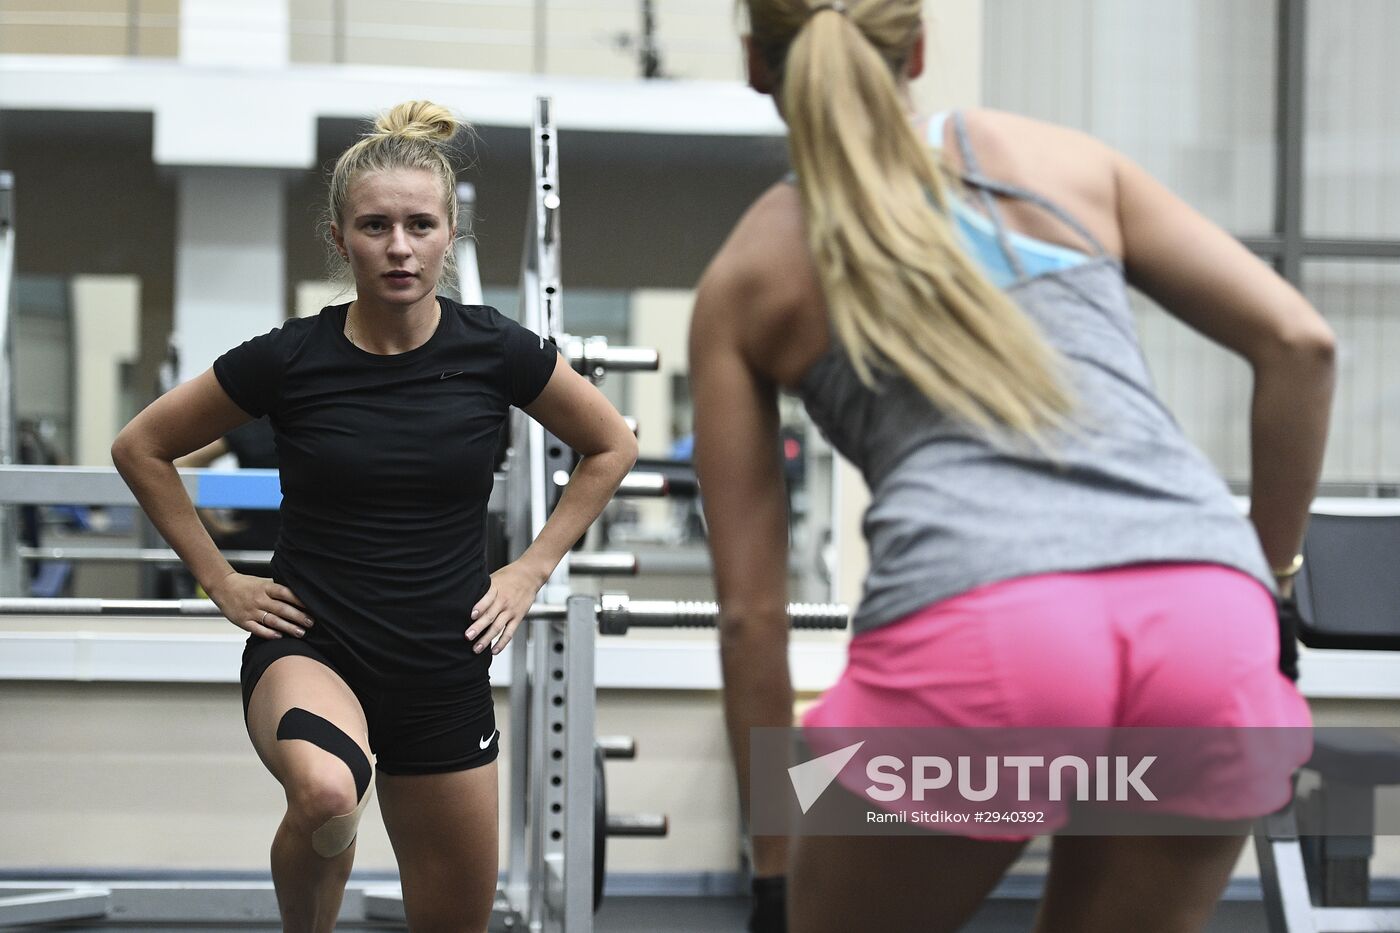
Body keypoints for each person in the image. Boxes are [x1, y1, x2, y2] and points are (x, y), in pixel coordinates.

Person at [688, 3, 1335, 932]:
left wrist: (775, 869)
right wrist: (1260, 586)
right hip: (1207, 621)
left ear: (757, 64)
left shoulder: (751, 269)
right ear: (914, 50)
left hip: (986, 635)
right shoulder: (1056, 161)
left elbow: (753, 618)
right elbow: (1300, 344)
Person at [112, 100, 637, 933]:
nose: (399, 247)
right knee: (326, 792)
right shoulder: (289, 357)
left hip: (442, 663)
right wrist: (218, 578)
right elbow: (142, 446)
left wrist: (531, 568)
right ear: (338, 237)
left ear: (448, 233)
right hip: (314, 644)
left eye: (420, 225)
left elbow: (610, 445)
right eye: (375, 225)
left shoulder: (494, 349)